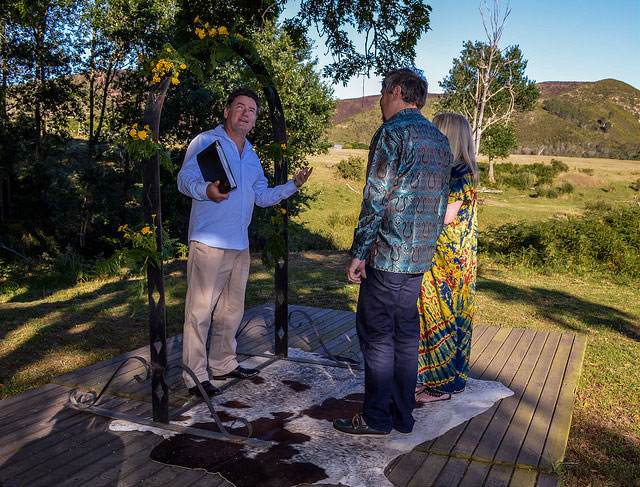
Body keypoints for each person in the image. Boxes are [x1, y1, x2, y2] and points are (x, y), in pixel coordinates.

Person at [333, 69, 453, 436]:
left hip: (386, 255)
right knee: (405, 337)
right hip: (418, 258)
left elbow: (375, 197)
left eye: (383, 92)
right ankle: (402, 415)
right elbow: (440, 202)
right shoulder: (439, 139)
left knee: (378, 336)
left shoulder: (391, 133)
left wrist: (359, 252)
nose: (380, 100)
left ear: (397, 91)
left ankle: (376, 418)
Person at [177, 87, 312, 399]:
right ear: (227, 112)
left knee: (231, 311)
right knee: (199, 312)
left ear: (254, 119)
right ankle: (195, 377)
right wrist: (205, 190)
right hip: (209, 241)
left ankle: (223, 364)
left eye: (251, 110)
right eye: (240, 107)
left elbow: (261, 196)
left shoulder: (251, 155)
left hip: (240, 243)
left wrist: (293, 185)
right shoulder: (205, 142)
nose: (245, 113)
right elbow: (184, 180)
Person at [414, 112, 479, 403]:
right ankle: (433, 379)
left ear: (447, 136)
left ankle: (441, 386)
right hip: (444, 255)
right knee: (433, 316)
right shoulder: (454, 169)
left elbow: (447, 215)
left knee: (441, 316)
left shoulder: (460, 172)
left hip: (447, 260)